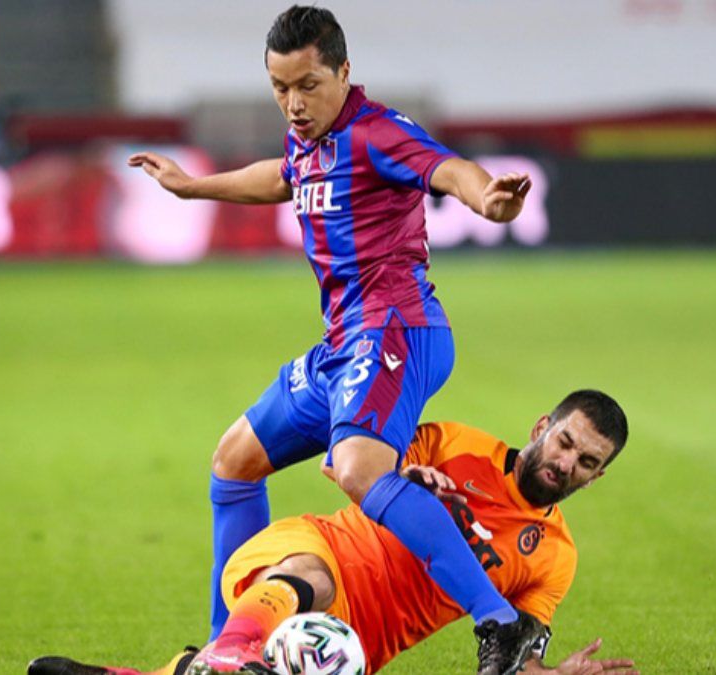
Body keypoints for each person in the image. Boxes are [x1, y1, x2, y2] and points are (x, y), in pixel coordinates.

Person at [127, 7, 537, 672]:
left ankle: (500, 620)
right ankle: (228, 648)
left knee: (358, 470)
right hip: (343, 346)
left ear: (344, 72)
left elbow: (448, 169)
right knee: (233, 461)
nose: (293, 103)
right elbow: (282, 176)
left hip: (397, 330)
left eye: (308, 85)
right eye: (280, 88)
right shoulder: (307, 136)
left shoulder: (378, 132)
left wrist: (488, 198)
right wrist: (192, 186)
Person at [31, 390, 634, 675]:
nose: (565, 464)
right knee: (310, 579)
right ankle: (230, 648)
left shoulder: (554, 557)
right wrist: (404, 477)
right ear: (541, 427)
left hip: (359, 643)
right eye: (564, 442)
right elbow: (343, 463)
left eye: (586, 462)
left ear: (597, 476)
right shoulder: (455, 443)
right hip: (320, 551)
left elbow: (508, 655)